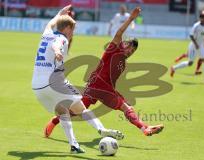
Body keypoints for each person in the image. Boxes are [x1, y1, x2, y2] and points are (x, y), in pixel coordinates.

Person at [45, 7, 164, 138]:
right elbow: (118, 33)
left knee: (78, 110)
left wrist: (119, 94)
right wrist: (131, 19)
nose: (130, 51)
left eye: (133, 51)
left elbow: (110, 82)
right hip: (98, 85)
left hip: (97, 86)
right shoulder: (114, 49)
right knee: (124, 107)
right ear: (124, 43)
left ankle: (54, 121)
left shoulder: (123, 63)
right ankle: (144, 128)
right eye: (129, 47)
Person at [32, 5, 123, 154]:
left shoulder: (46, 32)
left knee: (62, 111)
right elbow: (57, 44)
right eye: (72, 29)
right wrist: (57, 52)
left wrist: (61, 12)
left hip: (37, 86)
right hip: (54, 82)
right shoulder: (62, 38)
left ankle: (74, 145)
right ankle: (102, 129)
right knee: (81, 109)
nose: (72, 33)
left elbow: (52, 22)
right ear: (66, 28)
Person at [170, 10, 204, 84]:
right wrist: (196, 44)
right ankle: (174, 68)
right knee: (190, 63)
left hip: (201, 46)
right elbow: (191, 35)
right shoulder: (196, 26)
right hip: (193, 46)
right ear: (201, 18)